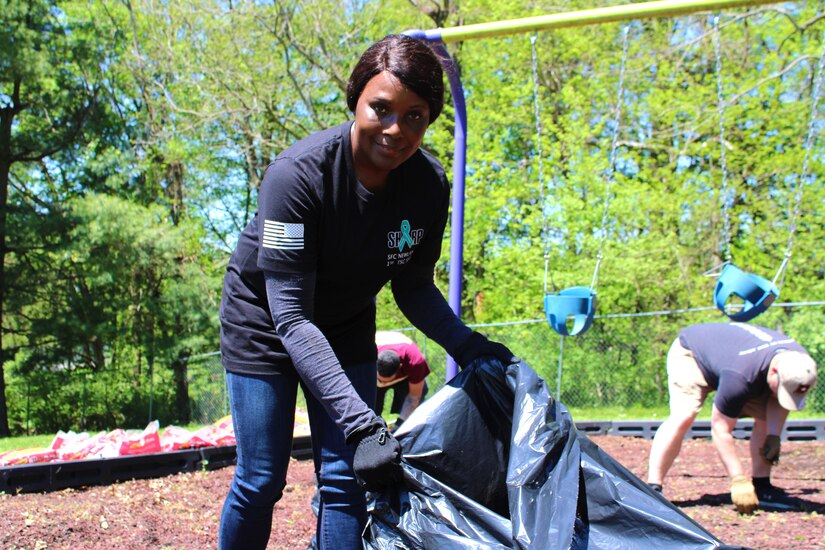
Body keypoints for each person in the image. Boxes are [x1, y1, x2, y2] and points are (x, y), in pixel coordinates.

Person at [217, 34, 517, 550]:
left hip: (346, 323)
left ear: (430, 120)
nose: (397, 129)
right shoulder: (297, 177)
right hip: (265, 324)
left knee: (344, 479)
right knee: (262, 478)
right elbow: (290, 316)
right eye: (382, 108)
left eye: (416, 116)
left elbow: (414, 286)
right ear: (355, 99)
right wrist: (361, 422)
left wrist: (468, 345)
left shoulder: (427, 186)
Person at [647, 322, 817, 514]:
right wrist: (738, 479)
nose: (783, 395)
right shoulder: (739, 377)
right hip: (692, 353)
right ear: (774, 372)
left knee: (765, 420)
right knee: (684, 415)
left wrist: (773, 435)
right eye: (783, 390)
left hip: (734, 358)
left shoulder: (799, 363)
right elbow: (720, 430)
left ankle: (762, 485)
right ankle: (653, 487)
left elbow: (779, 401)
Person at [374, 330, 431, 429]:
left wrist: (399, 426)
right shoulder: (367, 354)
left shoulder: (415, 361)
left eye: (386, 381)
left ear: (400, 367)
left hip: (405, 377)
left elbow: (414, 396)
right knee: (373, 408)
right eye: (381, 380)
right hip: (373, 369)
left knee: (412, 413)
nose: (383, 383)